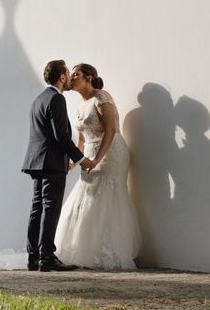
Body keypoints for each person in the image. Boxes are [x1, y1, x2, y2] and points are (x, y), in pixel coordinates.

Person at [54, 63, 141, 270]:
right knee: (86, 196)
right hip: (90, 155)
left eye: (76, 75)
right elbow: (82, 139)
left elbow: (110, 130)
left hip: (111, 153)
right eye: (71, 75)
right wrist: (76, 161)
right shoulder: (79, 104)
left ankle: (110, 252)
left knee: (106, 196)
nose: (71, 78)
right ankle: (84, 251)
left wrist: (97, 160)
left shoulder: (101, 97)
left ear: (89, 77)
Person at [21, 60, 94, 272]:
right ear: (62, 77)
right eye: (67, 73)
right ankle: (47, 257)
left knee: (37, 208)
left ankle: (33, 257)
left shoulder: (37, 100)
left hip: (35, 162)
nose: (70, 78)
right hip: (51, 163)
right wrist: (82, 159)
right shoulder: (57, 99)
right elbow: (61, 136)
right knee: (50, 209)